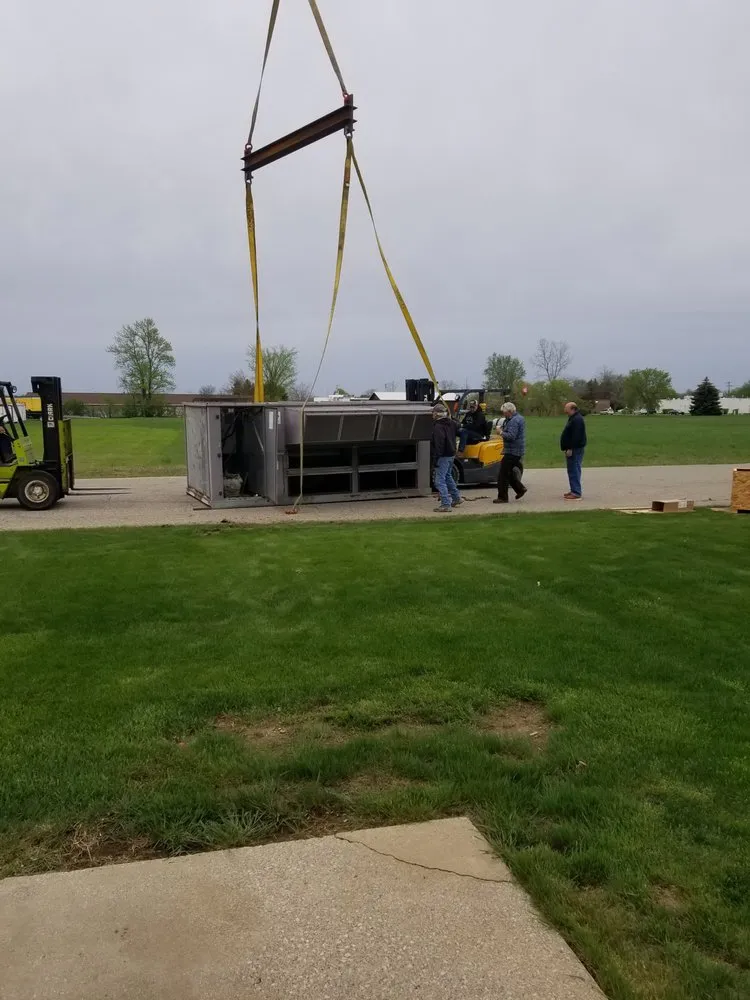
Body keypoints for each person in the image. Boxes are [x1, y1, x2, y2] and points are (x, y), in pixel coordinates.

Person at [431, 404, 463, 512]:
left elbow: (439, 444)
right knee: (448, 476)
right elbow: (459, 426)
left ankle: (445, 504)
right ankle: (456, 498)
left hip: (443, 455)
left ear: (437, 414)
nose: (432, 414)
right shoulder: (452, 423)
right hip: (451, 454)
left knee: (439, 480)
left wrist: (435, 459)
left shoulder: (438, 426)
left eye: (433, 412)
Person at [494, 402, 527, 503]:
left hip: (512, 451)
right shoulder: (519, 418)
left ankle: (503, 497)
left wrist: (501, 432)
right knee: (508, 472)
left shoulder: (514, 421)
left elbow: (512, 436)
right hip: (517, 450)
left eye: (504, 412)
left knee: (502, 474)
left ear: (509, 411)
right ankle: (520, 489)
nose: (503, 414)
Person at [560, 401, 587, 499]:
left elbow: (576, 436)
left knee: (574, 469)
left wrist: (570, 448)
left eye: (566, 408)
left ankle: (576, 492)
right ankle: (573, 490)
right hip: (573, 448)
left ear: (572, 409)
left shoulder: (577, 420)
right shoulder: (573, 418)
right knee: (572, 470)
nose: (564, 410)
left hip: (575, 449)